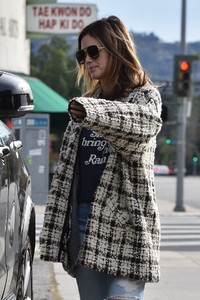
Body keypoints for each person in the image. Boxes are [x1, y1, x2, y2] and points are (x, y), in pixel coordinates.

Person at [40, 15, 163, 300]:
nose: (87, 59)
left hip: (129, 226)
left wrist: (93, 112)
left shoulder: (143, 98)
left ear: (116, 48)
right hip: (85, 223)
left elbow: (141, 124)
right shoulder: (83, 108)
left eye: (94, 51)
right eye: (82, 54)